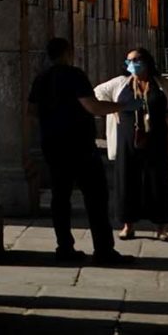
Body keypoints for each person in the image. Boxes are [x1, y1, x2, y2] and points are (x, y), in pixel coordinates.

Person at [27, 37, 122, 263]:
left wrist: (52, 121)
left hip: (52, 145)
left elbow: (31, 111)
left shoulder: (41, 78)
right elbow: (92, 106)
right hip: (79, 145)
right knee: (96, 196)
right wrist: (121, 107)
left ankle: (65, 247)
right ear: (68, 52)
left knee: (60, 197)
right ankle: (103, 250)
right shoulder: (74, 74)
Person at [88, 48, 168, 241]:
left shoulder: (161, 85)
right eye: (129, 60)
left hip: (156, 138)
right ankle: (128, 225)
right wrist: (115, 109)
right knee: (126, 180)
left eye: (136, 60)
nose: (132, 64)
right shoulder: (120, 83)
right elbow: (97, 93)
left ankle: (161, 226)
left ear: (146, 61)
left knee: (157, 181)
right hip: (127, 137)